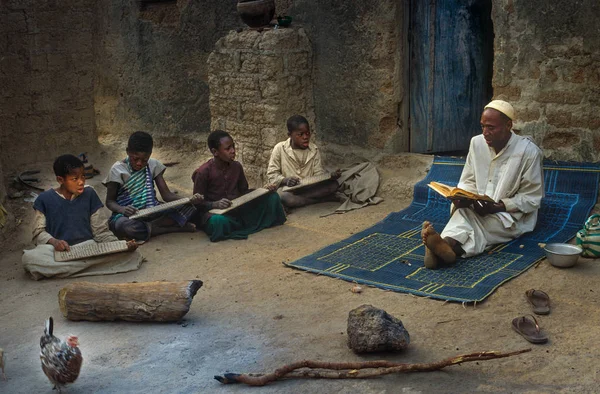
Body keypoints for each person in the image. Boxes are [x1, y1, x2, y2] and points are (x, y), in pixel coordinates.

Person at [421, 100, 544, 269]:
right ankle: (446, 249)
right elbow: (468, 180)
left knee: (471, 220)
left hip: (509, 216)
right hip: (475, 207)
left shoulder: (528, 152)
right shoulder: (477, 143)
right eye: (483, 127)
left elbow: (532, 198)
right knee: (465, 211)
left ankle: (445, 245)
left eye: (491, 127)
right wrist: (462, 197)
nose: (485, 133)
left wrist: (498, 207)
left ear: (508, 125)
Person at [22, 155, 143, 280]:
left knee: (133, 254)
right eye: (75, 179)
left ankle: (66, 270)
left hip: (89, 248)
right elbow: (38, 233)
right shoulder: (44, 199)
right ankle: (86, 267)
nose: (81, 182)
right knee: (29, 259)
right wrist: (54, 242)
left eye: (83, 176)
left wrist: (121, 246)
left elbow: (101, 231)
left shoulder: (90, 193)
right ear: (60, 179)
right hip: (59, 253)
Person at [104, 131, 202, 241]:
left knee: (189, 208)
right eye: (135, 159)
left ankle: (150, 228)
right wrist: (122, 209)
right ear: (128, 152)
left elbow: (167, 196)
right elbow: (109, 202)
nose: (139, 163)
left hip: (152, 212)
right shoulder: (117, 170)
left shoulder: (153, 165)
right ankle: (169, 229)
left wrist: (189, 200)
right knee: (123, 226)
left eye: (144, 160)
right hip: (128, 216)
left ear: (150, 154)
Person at [192, 130, 286, 242]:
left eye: (233, 147)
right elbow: (197, 204)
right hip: (216, 213)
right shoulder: (203, 172)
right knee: (218, 222)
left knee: (272, 197)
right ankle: (237, 225)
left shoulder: (236, 166)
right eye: (228, 149)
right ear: (215, 152)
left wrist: (263, 190)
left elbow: (244, 192)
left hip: (237, 208)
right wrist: (214, 204)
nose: (233, 151)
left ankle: (240, 224)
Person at [267, 115, 341, 209]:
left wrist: (329, 177)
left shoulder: (314, 149)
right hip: (289, 189)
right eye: (300, 134)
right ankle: (320, 200)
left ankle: (299, 201)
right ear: (290, 135)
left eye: (307, 133)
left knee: (333, 185)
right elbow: (272, 174)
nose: (305, 137)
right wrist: (286, 180)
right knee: (284, 197)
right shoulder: (279, 148)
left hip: (309, 189)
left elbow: (318, 174)